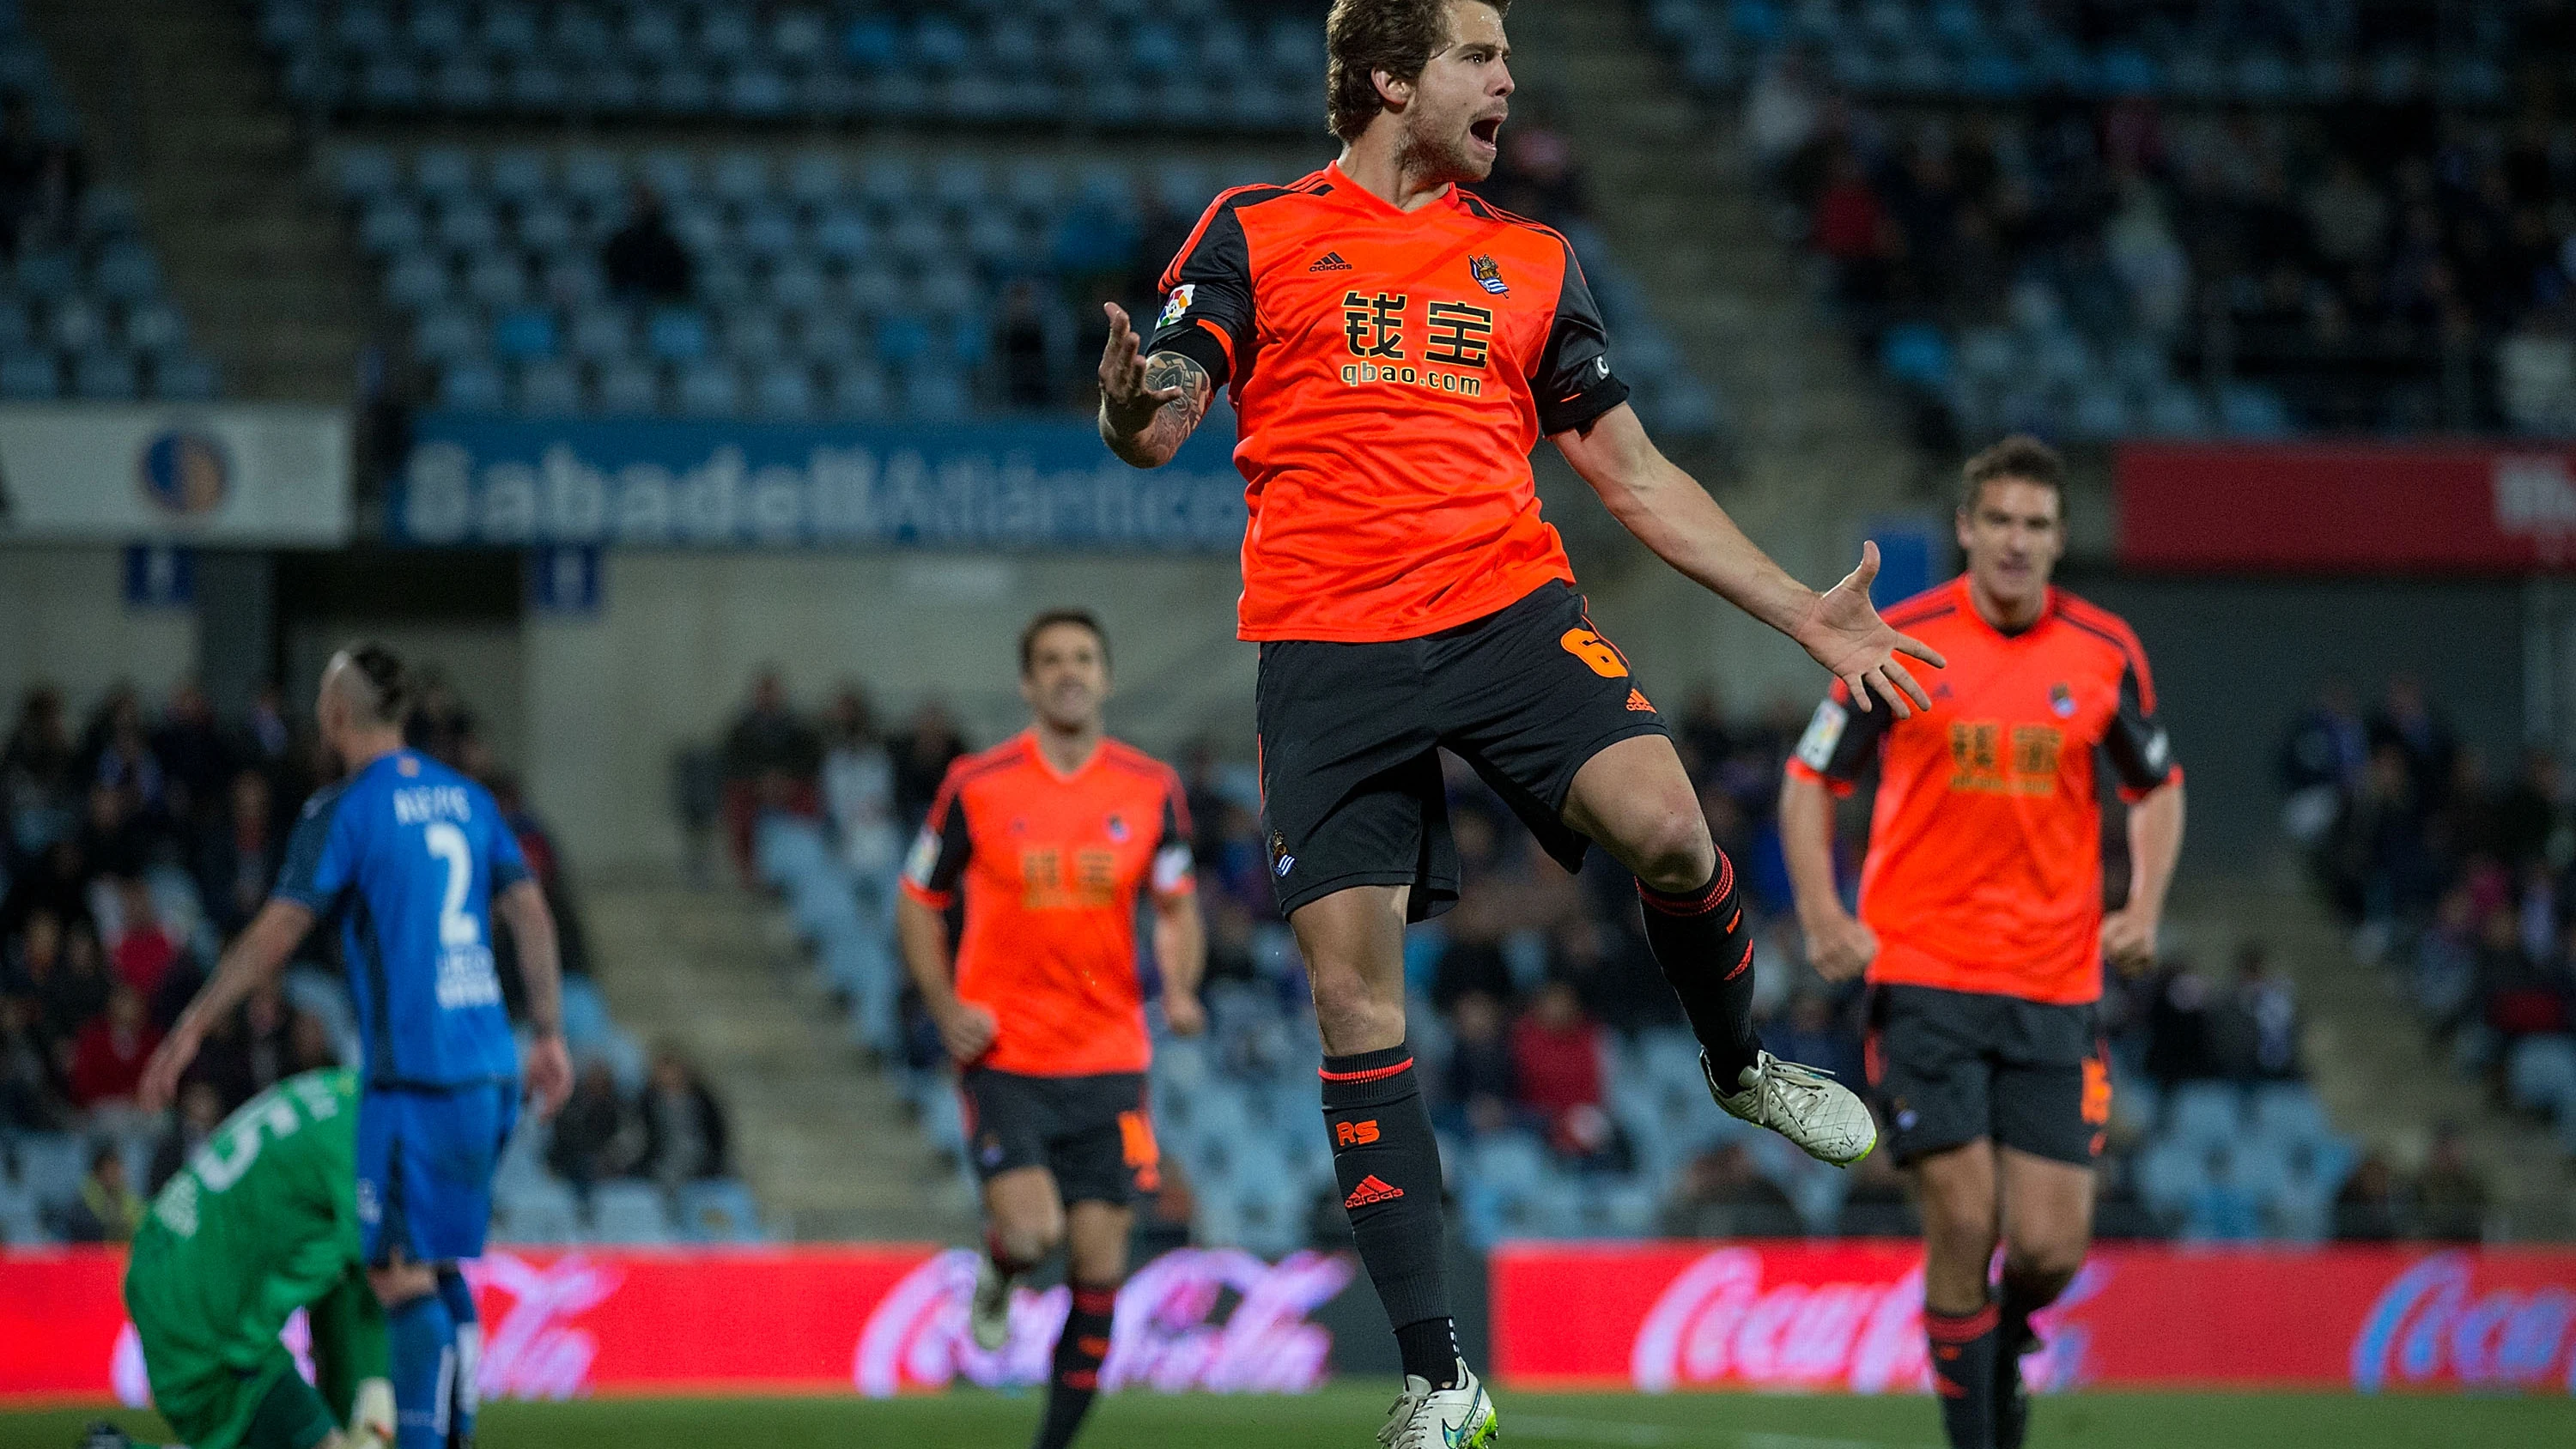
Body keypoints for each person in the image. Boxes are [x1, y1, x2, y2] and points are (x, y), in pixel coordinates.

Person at [1096, 3, 1938, 1440]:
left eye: (1505, 54)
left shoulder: (1534, 260)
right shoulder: (1257, 232)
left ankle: (1739, 1062)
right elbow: (1162, 413)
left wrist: (1799, 609)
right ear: (1387, 77)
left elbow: (1633, 470)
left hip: (1505, 614)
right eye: (1477, 54)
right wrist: (1129, 404)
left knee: (1675, 830)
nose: (1506, 77)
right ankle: (1442, 1375)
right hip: (1326, 646)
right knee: (1357, 1005)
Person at [1779, 436, 2185, 1449]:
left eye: (2037, 524)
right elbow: (1808, 779)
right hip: (1925, 974)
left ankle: (1997, 1345)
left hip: (2056, 981)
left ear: (2060, 537)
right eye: (1998, 519)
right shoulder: (1899, 639)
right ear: (1967, 527)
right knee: (1964, 1219)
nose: (2016, 540)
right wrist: (1827, 917)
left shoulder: (2105, 651)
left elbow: (2159, 786)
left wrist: (2145, 906)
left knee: (2049, 1244)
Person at [139, 644, 571, 1449]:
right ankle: (452, 1434)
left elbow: (275, 936)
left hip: (414, 1075)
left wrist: (195, 1020)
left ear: (336, 714)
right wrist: (548, 1033)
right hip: (490, 1068)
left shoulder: (344, 809)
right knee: (439, 1267)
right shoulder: (470, 800)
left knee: (399, 1275)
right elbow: (533, 915)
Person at [896, 609, 1207, 1449]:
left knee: (1101, 1268)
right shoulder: (978, 781)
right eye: (1051, 660)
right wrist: (942, 1004)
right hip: (1007, 1054)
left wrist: (1177, 986)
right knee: (1036, 1230)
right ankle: (1001, 1269)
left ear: (1104, 675)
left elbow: (1176, 905)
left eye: (1083, 657)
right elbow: (918, 898)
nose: (1069, 671)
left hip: (1111, 1058)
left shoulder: (1150, 787)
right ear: (1027, 682)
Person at [89, 1069, 397, 1449]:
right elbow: (381, 1282)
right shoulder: (365, 1143)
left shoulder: (334, 1092)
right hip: (205, 1309)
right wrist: (375, 1404)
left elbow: (348, 1292)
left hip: (173, 1261)